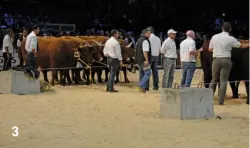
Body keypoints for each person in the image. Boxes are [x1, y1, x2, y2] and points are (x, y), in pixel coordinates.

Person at [208, 22, 249, 105]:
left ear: (222, 28)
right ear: (230, 29)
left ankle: (208, 99)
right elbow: (241, 46)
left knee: (214, 79)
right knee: (223, 81)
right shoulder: (230, 38)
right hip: (226, 60)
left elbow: (209, 49)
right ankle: (220, 102)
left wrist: (217, 51)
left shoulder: (214, 37)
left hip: (216, 60)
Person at [135, 28, 152, 93]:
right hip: (143, 60)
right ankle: (141, 85)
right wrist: (147, 60)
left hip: (139, 60)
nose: (150, 34)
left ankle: (142, 89)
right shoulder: (145, 41)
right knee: (148, 73)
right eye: (149, 33)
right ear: (145, 33)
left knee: (142, 73)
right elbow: (145, 51)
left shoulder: (139, 40)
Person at [147, 26, 161, 90]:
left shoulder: (148, 38)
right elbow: (160, 48)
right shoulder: (158, 38)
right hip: (156, 56)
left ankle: (146, 86)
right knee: (155, 72)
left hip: (150, 56)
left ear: (149, 31)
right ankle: (156, 86)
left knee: (147, 71)